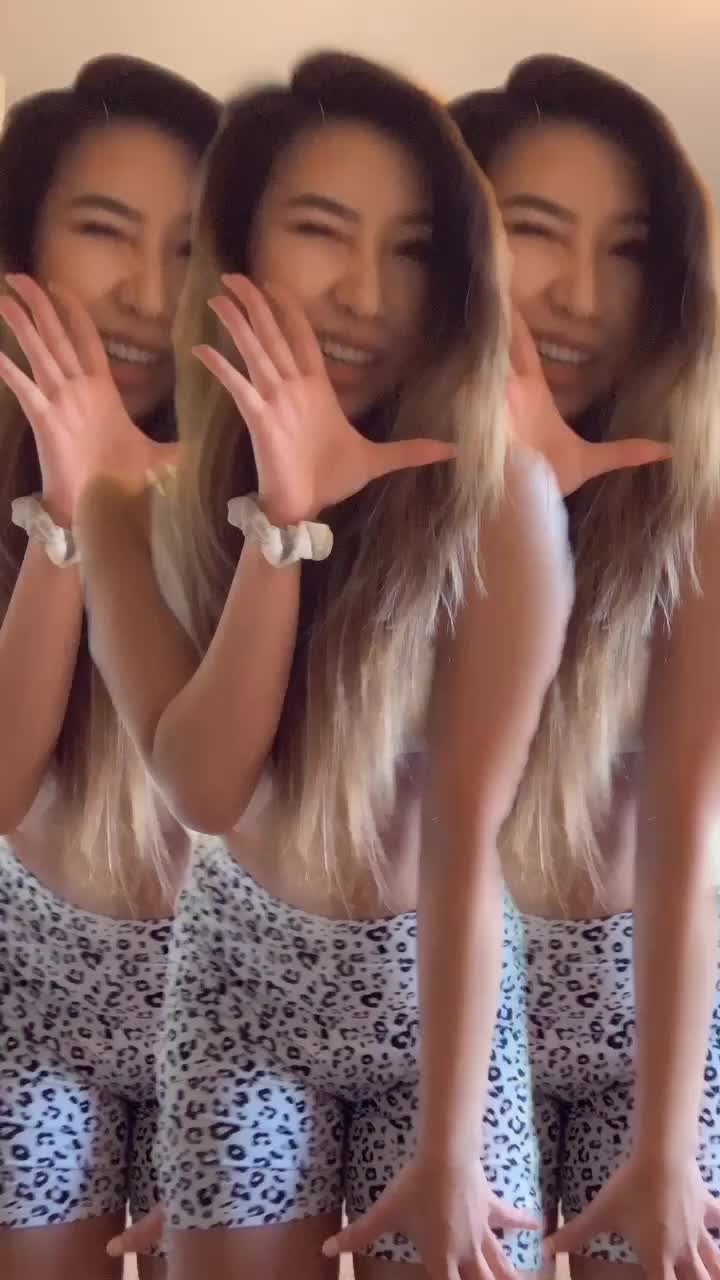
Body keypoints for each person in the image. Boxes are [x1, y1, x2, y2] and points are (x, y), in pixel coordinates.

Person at [6, 51, 666, 1280]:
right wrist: (284, 522)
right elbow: (208, 786)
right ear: (240, 245)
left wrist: (454, 1146)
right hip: (232, 999)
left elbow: (468, 829)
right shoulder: (129, 505)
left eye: (410, 248)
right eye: (321, 230)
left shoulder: (501, 501)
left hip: (446, 1012)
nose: (366, 293)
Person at [450, 54, 720, 1280]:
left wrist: (667, 1144)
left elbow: (684, 834)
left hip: (644, 1012)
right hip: (430, 1007)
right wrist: (515, 499)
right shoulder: (367, 486)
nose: (583, 292)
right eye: (539, 232)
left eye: (627, 251)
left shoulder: (689, 499)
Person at [0, 55, 218, 1280]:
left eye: (188, 248)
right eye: (103, 230)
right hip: (35, 1003)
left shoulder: (278, 477)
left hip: (255, 1009)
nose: (147, 293)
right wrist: (70, 512)